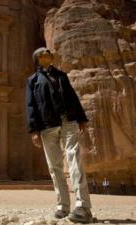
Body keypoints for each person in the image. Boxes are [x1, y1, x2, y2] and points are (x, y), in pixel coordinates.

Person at [25, 47, 92, 223]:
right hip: (47, 126)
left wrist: (81, 118)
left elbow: (72, 97)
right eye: (42, 53)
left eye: (48, 52)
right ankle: (63, 206)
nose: (47, 53)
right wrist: (34, 130)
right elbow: (31, 106)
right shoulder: (32, 81)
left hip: (68, 121)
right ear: (37, 59)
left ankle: (83, 207)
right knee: (54, 167)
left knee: (74, 160)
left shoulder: (62, 76)